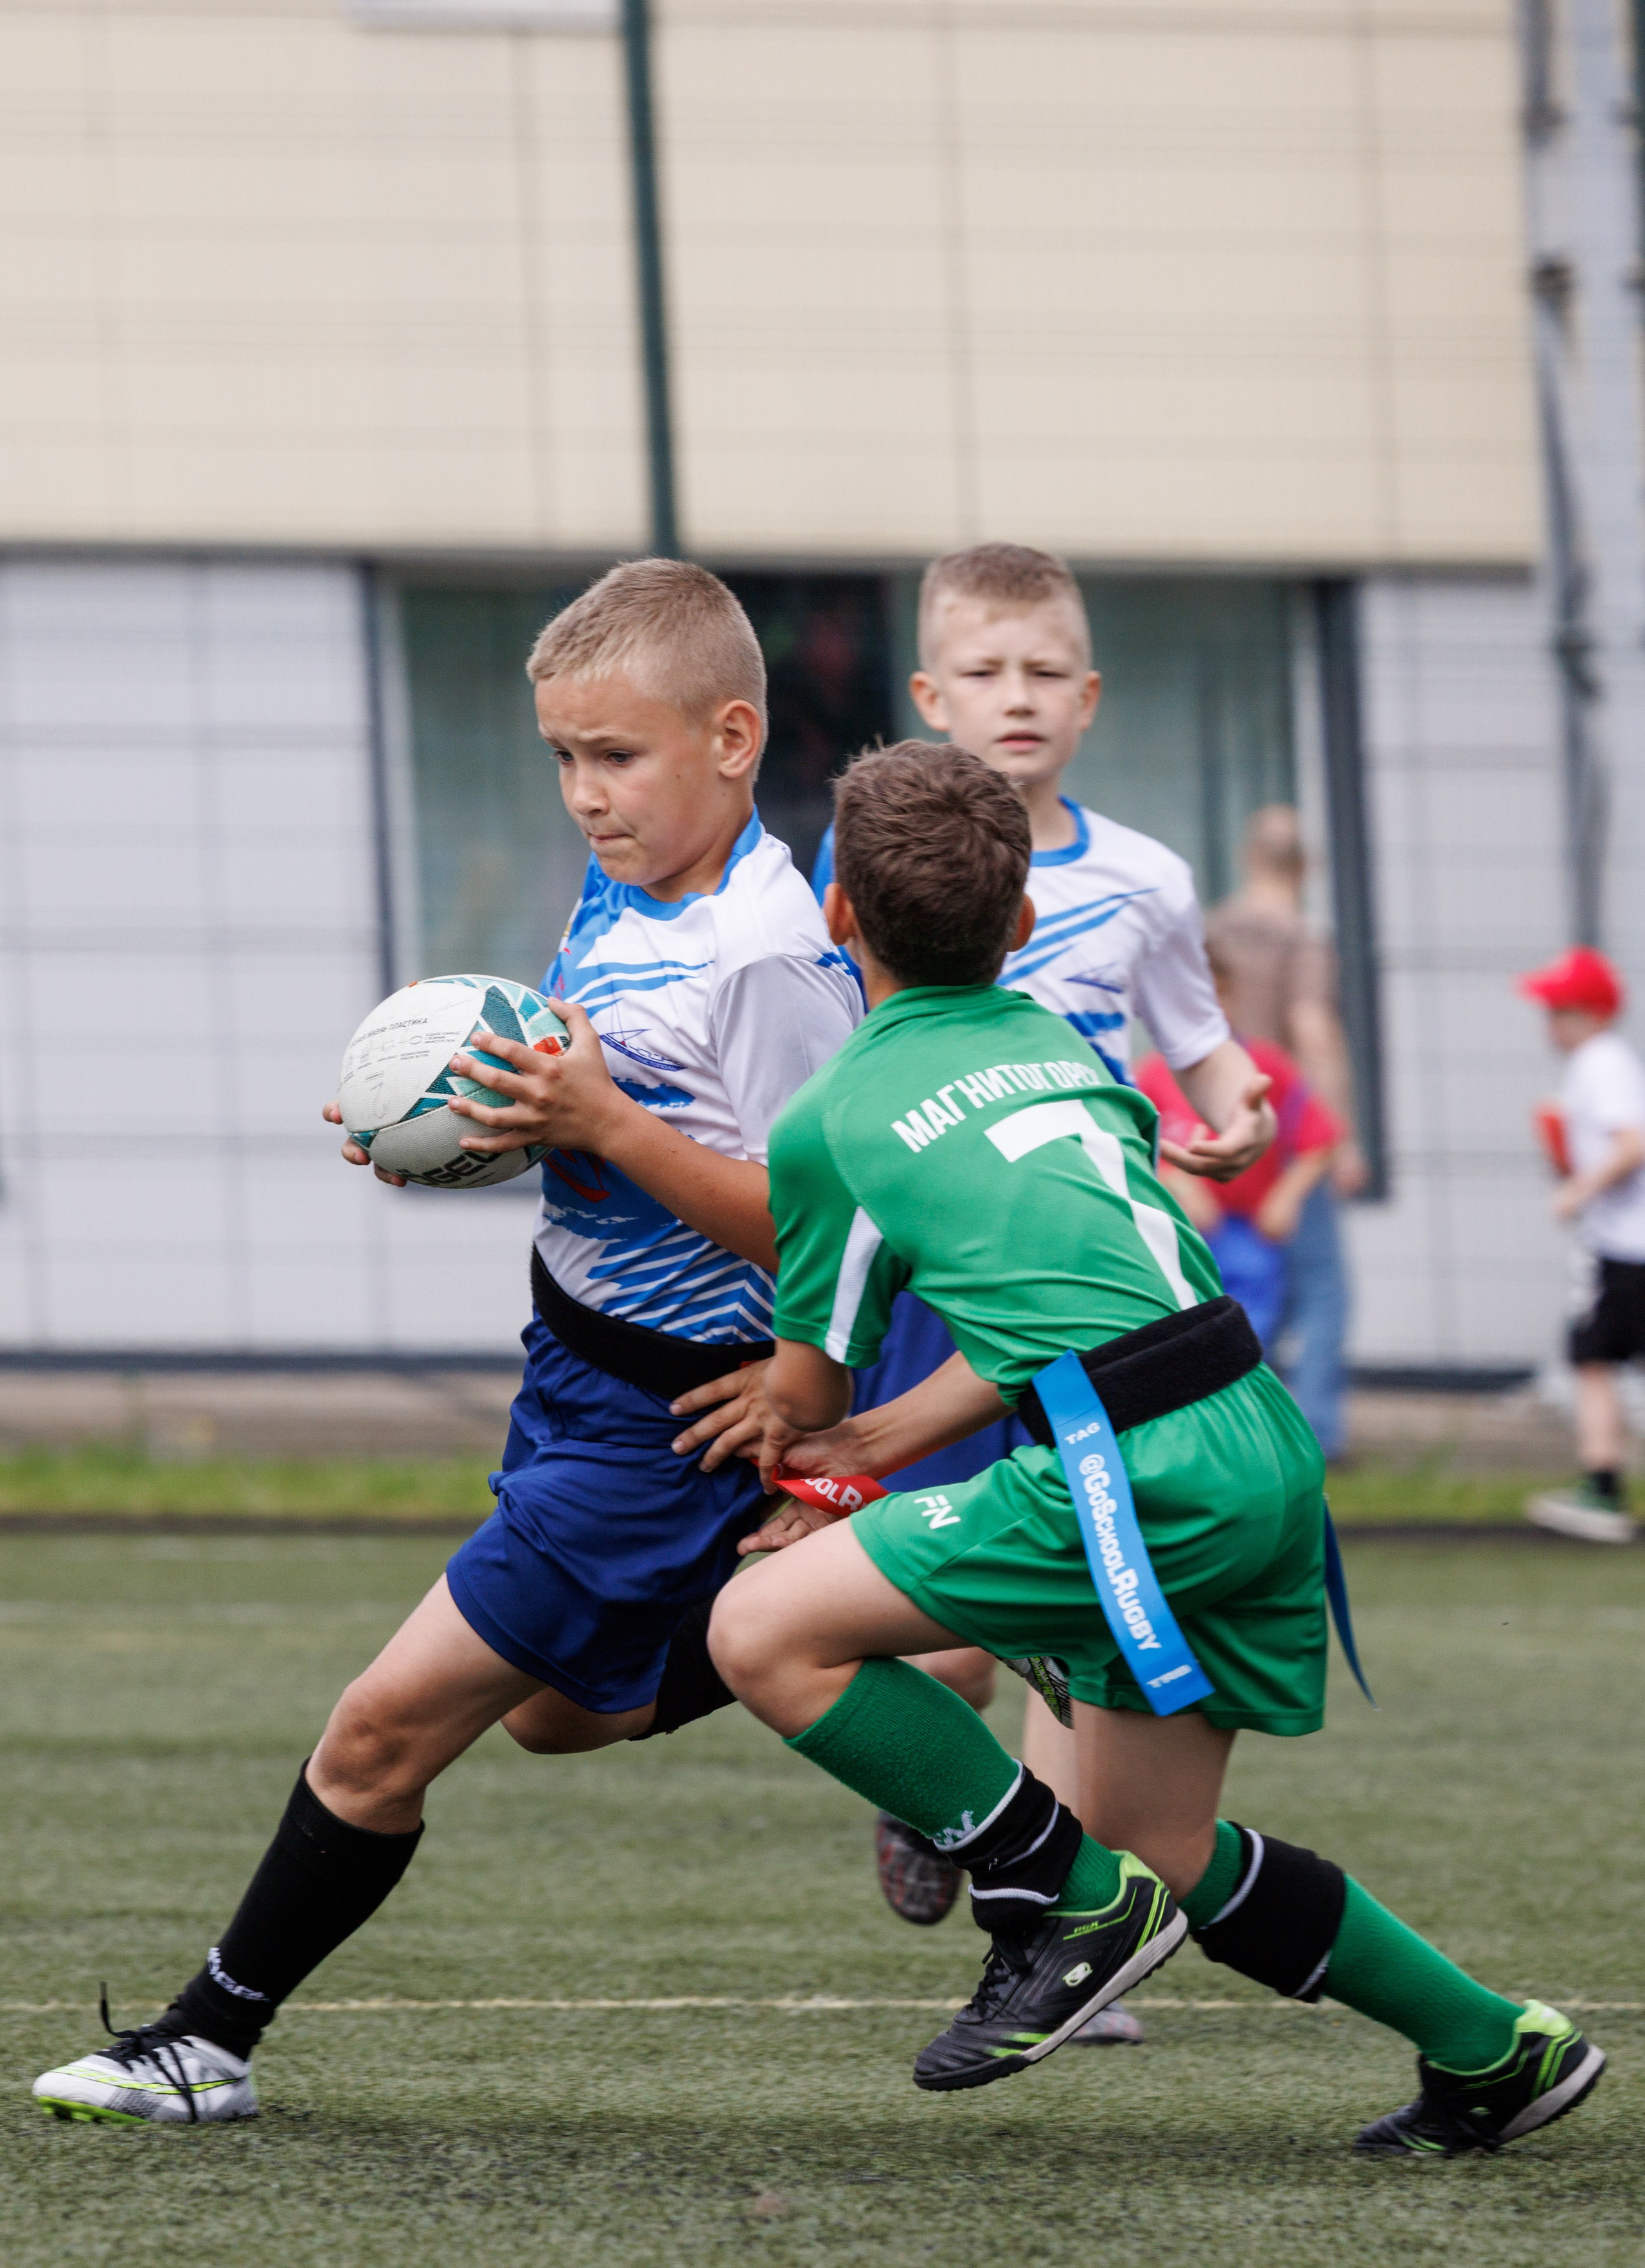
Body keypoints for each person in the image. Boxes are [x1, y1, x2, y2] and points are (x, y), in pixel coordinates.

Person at [31, 559, 862, 2125]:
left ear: (732, 737)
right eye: (562, 757)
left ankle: (205, 2042)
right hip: (567, 1371)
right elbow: (610, 1120)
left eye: (615, 756)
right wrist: (459, 1125)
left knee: (377, 1730)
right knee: (555, 1714)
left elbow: (830, 1225)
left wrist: (600, 1122)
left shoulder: (758, 952)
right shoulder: (627, 885)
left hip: (658, 1421)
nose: (584, 793)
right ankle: (854, 1616)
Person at [706, 741, 1605, 2154]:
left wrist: (798, 1435)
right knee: (1161, 1847)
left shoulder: (832, 1119)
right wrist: (864, 1453)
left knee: (758, 1631)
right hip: (1250, 1427)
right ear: (1020, 924)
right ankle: (1493, 2048)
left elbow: (811, 1379)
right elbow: (1054, 1329)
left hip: (1132, 1469)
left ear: (837, 917)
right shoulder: (1057, 1048)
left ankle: (1061, 1904)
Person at [799, 545, 1274, 1991]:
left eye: (1043, 672)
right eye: (984, 672)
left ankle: (1066, 1937)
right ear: (929, 695)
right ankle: (936, 1778)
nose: (1017, 697)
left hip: (1088, 1289)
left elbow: (1198, 1042)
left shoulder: (1145, 877)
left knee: (1079, 1611)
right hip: (939, 1286)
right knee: (952, 1628)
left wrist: (1237, 1108)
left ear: (1089, 696)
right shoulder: (867, 869)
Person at [1206, 806, 1362, 1460]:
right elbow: (1312, 1027)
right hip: (1285, 1126)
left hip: (1215, 1118)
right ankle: (1317, 1430)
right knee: (1323, 1287)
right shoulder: (1303, 936)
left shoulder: (1213, 926)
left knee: (1235, 1284)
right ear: (1308, 867)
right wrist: (1342, 1136)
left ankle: (1242, 1422)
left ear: (1248, 857)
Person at [1135, 944, 1344, 1356]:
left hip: (1250, 1235)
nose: (1207, 1009)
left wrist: (1286, 1197)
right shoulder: (1151, 1076)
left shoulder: (1266, 1065)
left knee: (1252, 1340)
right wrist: (1179, 1182)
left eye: (1217, 996)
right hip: (1183, 1238)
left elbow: (1321, 1137)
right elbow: (1131, 1150)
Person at [1519, 944, 1645, 1545]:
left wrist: (1578, 1189)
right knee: (1594, 1357)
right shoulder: (1600, 1063)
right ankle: (1602, 1485)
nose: (1549, 1023)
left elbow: (1632, 1144)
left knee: (1592, 1358)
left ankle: (1602, 1488)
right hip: (1624, 1245)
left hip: (1627, 1249)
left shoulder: (1601, 1063)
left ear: (1592, 1014)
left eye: (1559, 1010)